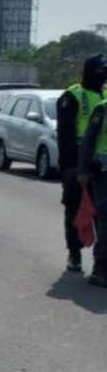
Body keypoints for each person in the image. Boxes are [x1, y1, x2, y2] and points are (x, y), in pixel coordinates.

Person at [57, 54, 107, 272]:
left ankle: (100, 261)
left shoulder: (105, 95)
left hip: (100, 163)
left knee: (102, 214)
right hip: (77, 159)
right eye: (101, 70)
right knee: (75, 209)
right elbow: (65, 135)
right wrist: (71, 167)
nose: (104, 75)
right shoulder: (72, 96)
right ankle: (74, 253)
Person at [79, 97, 107, 287]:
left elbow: (89, 139)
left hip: (102, 171)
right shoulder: (101, 108)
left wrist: (83, 170)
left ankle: (101, 269)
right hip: (103, 172)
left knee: (105, 219)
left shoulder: (102, 108)